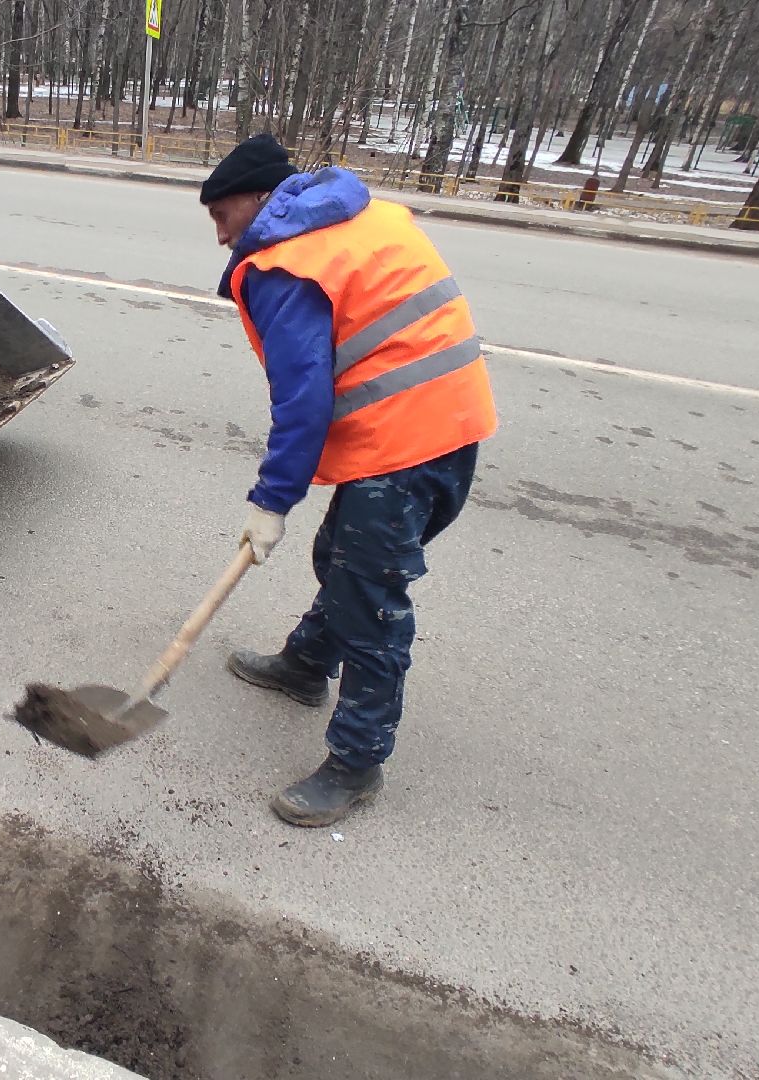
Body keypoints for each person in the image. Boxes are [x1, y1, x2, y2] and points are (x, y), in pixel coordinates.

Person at [202, 132, 497, 828]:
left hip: (410, 440)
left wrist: (271, 502)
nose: (219, 237)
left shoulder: (285, 264)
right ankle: (307, 664)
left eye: (221, 216)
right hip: (451, 419)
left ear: (258, 199)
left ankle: (357, 764)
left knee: (370, 601)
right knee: (337, 557)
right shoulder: (352, 215)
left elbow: (303, 400)